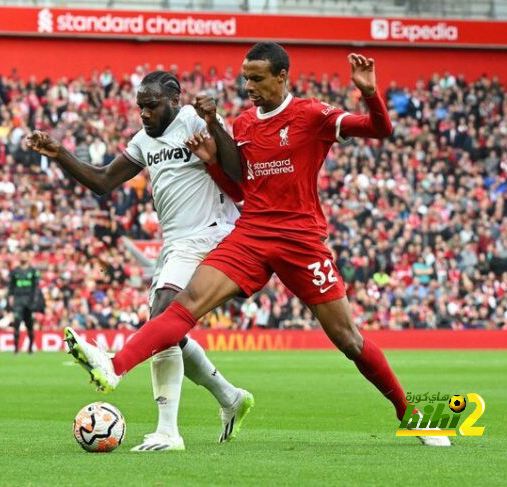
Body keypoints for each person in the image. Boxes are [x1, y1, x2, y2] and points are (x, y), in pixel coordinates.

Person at [62, 44, 449, 447]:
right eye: (246, 78)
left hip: (301, 239)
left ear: (282, 76)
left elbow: (379, 129)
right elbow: (238, 188)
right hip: (252, 233)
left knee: (349, 339)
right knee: (183, 304)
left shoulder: (312, 114)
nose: (249, 86)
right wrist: (212, 160)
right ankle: (114, 365)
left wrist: (370, 92)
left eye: (258, 78)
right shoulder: (244, 125)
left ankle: (413, 415)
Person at [26, 71, 253, 452]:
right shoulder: (144, 140)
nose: (144, 114)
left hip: (212, 233)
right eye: (140, 107)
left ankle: (168, 431)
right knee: (169, 333)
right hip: (176, 243)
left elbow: (237, 174)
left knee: (163, 317)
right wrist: (61, 153)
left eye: (152, 106)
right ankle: (230, 397)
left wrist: (214, 125)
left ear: (175, 99)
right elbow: (102, 181)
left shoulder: (196, 121)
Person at [8, 250, 40, 354]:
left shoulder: (33, 271)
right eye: (21, 255)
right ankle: (16, 348)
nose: (23, 257)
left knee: (29, 324)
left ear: (28, 257)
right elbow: (11, 286)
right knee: (16, 322)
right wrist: (10, 296)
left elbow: (36, 287)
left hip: (29, 300)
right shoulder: (15, 271)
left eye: (25, 255)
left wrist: (35, 300)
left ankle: (30, 347)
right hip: (18, 299)